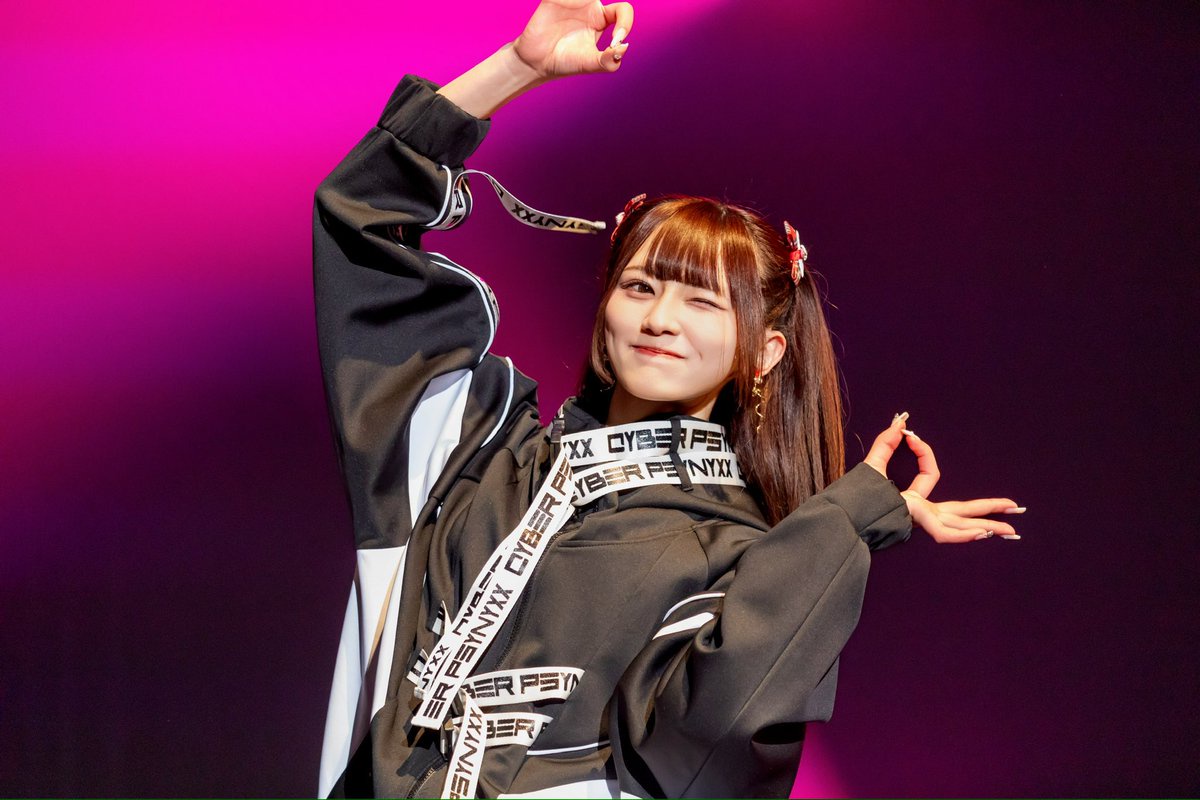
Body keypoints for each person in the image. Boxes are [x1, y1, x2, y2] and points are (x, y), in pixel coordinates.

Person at [312, 1, 1022, 797]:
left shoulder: (730, 554)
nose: (659, 320)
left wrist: (845, 522)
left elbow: (709, 744)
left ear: (766, 352)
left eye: (702, 302)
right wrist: (519, 67)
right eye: (640, 287)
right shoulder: (470, 451)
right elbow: (361, 226)